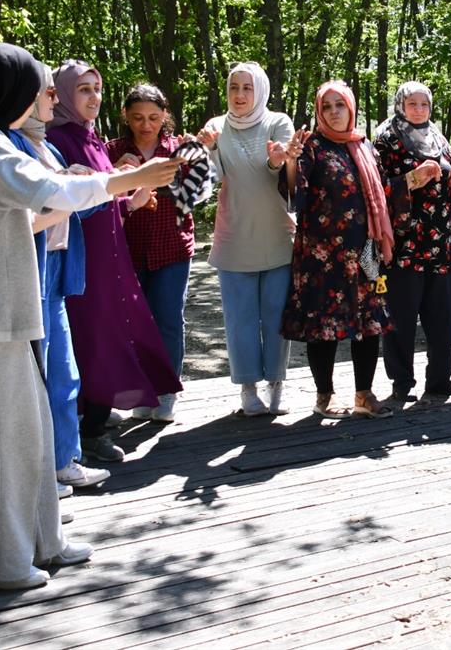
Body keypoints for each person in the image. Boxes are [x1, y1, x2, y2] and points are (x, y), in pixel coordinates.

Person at [0, 42, 179, 589]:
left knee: (32, 429)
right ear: (8, 89)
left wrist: (122, 183)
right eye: (34, 84)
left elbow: (40, 204)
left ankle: (44, 540)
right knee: (1, 441)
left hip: (7, 305)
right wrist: (130, 179)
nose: (43, 96)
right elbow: (46, 190)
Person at [48, 61, 181, 461]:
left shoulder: (90, 139)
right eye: (83, 89)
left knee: (112, 335)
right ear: (63, 95)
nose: (93, 97)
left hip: (111, 255)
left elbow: (104, 202)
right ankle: (84, 432)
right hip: (83, 259)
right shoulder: (59, 141)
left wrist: (130, 201)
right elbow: (68, 203)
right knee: (93, 340)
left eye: (96, 88)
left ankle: (93, 428)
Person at [17, 74, 111, 493]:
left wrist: (86, 188)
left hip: (56, 272)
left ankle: (63, 461)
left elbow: (75, 212)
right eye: (49, 91)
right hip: (29, 271)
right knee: (33, 378)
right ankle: (36, 473)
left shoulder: (48, 147)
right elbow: (31, 212)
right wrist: (75, 189)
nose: (55, 98)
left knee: (64, 375)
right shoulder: (13, 147)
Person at [282, 81, 395, 418]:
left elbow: (385, 193)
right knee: (324, 325)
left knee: (370, 321)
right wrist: (289, 161)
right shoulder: (312, 148)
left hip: (368, 251)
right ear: (319, 111)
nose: (333, 112)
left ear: (351, 108)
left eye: (339, 105)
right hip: (322, 253)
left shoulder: (366, 148)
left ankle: (364, 394)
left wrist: (417, 179)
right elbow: (293, 196)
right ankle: (325, 396)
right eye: (327, 106)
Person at [196, 62, 295, 416]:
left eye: (247, 88)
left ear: (260, 91)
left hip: (277, 237)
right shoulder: (216, 128)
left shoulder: (278, 122)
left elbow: (282, 169)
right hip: (233, 238)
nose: (239, 95)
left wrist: (275, 161)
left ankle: (277, 384)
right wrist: (206, 150)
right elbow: (210, 179)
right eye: (234, 87)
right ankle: (248, 389)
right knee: (240, 320)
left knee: (275, 317)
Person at [373, 81, 451, 402]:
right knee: (401, 320)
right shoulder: (386, 139)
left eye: (424, 104)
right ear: (400, 104)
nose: (419, 110)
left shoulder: (438, 137)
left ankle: (439, 381)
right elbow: (375, 190)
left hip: (441, 244)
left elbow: (447, 189)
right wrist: (411, 179)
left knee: (442, 316)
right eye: (412, 103)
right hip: (404, 244)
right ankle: (402, 383)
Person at [107, 84, 195, 420]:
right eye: (138, 117)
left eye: (154, 117)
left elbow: (197, 196)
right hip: (126, 250)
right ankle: (138, 390)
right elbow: (99, 196)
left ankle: (166, 391)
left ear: (165, 117)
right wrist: (117, 171)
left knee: (168, 320)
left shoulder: (178, 150)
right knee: (130, 323)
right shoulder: (113, 150)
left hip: (172, 248)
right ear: (126, 118)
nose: (146, 125)